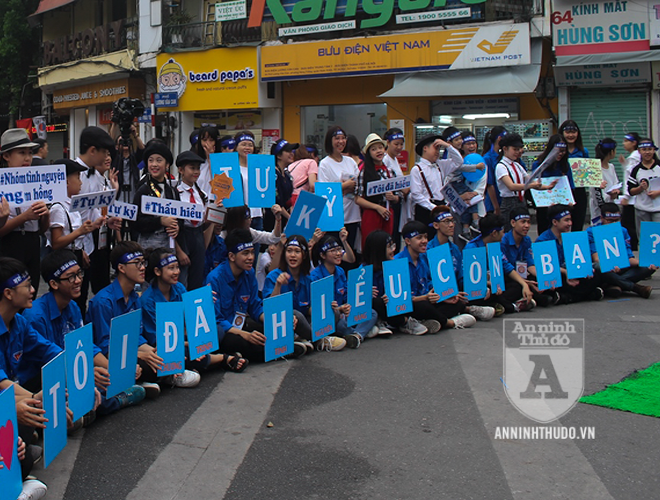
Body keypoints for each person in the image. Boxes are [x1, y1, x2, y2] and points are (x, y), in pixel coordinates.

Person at [25, 250, 139, 418]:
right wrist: (85, 375)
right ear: (54, 284)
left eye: (79, 273)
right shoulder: (35, 316)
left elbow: (86, 346)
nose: (78, 280)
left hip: (71, 370)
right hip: (42, 378)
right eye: (71, 277)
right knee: (89, 396)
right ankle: (117, 400)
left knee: (104, 380)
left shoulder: (72, 307)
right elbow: (49, 362)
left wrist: (114, 369)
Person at [0, 257, 58, 500]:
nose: (33, 290)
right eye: (27, 285)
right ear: (8, 293)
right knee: (19, 462)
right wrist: (42, 403)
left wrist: (81, 386)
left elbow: (53, 353)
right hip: (6, 400)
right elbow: (2, 384)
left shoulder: (19, 323)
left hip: (10, 398)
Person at [140, 247, 246, 376]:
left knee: (217, 331)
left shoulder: (178, 287)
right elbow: (158, 341)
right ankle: (223, 358)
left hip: (183, 336)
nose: (176, 272)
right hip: (166, 345)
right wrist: (191, 345)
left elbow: (192, 320)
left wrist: (204, 304)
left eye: (177, 267)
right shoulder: (148, 301)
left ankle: (203, 362)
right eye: (171, 268)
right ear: (157, 271)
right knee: (182, 353)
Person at [205, 229, 306, 362]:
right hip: (228, 331)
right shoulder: (214, 278)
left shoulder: (249, 273)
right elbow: (217, 320)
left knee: (270, 328)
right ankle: (281, 351)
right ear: (232, 256)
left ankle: (280, 347)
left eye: (252, 252)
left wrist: (273, 321)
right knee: (237, 341)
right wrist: (245, 335)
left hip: (243, 324)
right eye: (245, 253)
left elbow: (255, 307)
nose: (251, 257)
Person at [87, 241, 164, 398]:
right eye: (137, 263)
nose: (142, 268)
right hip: (107, 358)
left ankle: (145, 380)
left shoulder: (134, 297)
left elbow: (137, 336)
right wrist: (138, 355)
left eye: (143, 263)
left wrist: (153, 352)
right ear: (121, 268)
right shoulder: (104, 301)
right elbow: (104, 345)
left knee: (162, 358)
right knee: (145, 366)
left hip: (127, 352)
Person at [395, 221, 477, 332]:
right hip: (413, 304)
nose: (424, 241)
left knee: (456, 302)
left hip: (428, 300)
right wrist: (424, 298)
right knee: (424, 306)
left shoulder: (424, 258)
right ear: (408, 241)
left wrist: (445, 295)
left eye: (425, 237)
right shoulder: (398, 262)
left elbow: (430, 282)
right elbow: (399, 300)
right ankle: (450, 323)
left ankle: (426, 322)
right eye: (419, 238)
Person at [76, 126, 121, 314]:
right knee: (76, 296)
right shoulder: (73, 174)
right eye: (104, 152)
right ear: (93, 151)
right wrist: (79, 247)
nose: (106, 158)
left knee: (90, 287)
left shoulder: (97, 177)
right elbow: (69, 213)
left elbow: (93, 210)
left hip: (91, 242)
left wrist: (105, 221)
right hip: (75, 243)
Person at [0, 129, 49, 294]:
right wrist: (24, 217)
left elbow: (42, 229)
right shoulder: (1, 184)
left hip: (33, 245)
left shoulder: (35, 184)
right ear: (6, 156)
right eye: (21, 153)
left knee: (31, 292)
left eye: (30, 153)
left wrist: (46, 215)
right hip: (9, 247)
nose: (27, 158)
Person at [310, 234, 378, 348]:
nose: (338, 254)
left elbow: (347, 295)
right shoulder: (315, 276)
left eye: (339, 249)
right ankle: (361, 331)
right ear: (322, 255)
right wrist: (339, 309)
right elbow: (317, 308)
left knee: (372, 312)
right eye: (333, 251)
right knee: (340, 323)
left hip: (344, 312)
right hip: (331, 317)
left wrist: (363, 294)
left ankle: (357, 335)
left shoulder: (340, 271)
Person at [464, 214, 535, 314]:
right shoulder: (472, 248)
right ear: (494, 233)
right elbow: (470, 278)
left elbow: (506, 266)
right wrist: (488, 283)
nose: (504, 235)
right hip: (481, 286)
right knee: (486, 293)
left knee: (517, 286)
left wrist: (524, 284)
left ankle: (500, 305)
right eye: (502, 232)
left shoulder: (495, 246)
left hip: (496, 284)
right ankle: (511, 306)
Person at [362, 230, 428, 335]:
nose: (393, 250)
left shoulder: (395, 266)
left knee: (423, 306)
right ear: (379, 250)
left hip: (395, 307)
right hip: (376, 309)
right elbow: (355, 299)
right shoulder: (363, 271)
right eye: (389, 247)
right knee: (377, 303)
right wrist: (367, 293)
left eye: (393, 245)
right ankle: (403, 322)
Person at [535, 205, 604, 304]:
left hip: (570, 272)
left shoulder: (570, 238)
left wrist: (585, 268)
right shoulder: (543, 240)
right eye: (566, 220)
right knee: (553, 281)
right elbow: (546, 267)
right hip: (558, 273)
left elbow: (579, 260)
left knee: (595, 275)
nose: (570, 223)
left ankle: (567, 297)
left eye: (570, 220)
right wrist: (566, 272)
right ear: (555, 222)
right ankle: (586, 295)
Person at [586, 203, 655, 298]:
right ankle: (635, 288)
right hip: (603, 269)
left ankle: (611, 285)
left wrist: (643, 263)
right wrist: (612, 264)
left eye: (617, 221)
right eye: (610, 221)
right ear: (602, 218)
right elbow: (596, 258)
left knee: (648, 267)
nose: (614, 224)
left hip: (621, 267)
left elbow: (629, 257)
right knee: (599, 266)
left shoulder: (623, 231)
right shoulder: (591, 231)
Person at [263, 235, 315, 350]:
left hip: (302, 323)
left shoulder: (307, 278)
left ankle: (305, 339)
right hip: (281, 324)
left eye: (297, 251)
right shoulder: (273, 276)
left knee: (333, 312)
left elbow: (309, 308)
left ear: (304, 255)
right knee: (295, 314)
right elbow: (269, 308)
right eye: (289, 251)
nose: (292, 255)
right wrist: (278, 285)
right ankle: (318, 339)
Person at [495, 133, 556, 231]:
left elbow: (530, 180)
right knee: (509, 231)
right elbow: (511, 186)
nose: (517, 152)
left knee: (522, 229)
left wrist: (547, 187)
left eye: (519, 149)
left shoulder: (517, 165)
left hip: (521, 201)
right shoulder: (501, 166)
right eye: (515, 149)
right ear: (505, 149)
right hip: (509, 202)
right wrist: (531, 185)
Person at [318, 126, 361, 255]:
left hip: (352, 214)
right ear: (330, 141)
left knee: (351, 252)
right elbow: (323, 191)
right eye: (337, 138)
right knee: (335, 253)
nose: (341, 142)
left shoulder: (350, 161)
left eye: (343, 138)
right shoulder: (325, 164)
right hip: (334, 216)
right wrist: (344, 186)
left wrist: (351, 186)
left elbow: (358, 183)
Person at [500, 207, 555, 307]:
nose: (527, 226)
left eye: (529, 222)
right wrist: (524, 283)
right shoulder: (504, 241)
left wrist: (544, 278)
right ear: (513, 223)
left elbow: (530, 264)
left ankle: (531, 297)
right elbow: (506, 268)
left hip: (522, 274)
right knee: (516, 287)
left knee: (539, 279)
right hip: (508, 276)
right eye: (523, 222)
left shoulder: (527, 240)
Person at [409, 134, 463, 233]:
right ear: (425, 148)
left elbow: (458, 161)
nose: (438, 152)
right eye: (435, 148)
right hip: (425, 208)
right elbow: (416, 194)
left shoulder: (440, 165)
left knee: (443, 236)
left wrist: (448, 146)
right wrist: (433, 207)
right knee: (427, 236)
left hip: (441, 205)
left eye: (439, 149)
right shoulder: (417, 169)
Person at [131, 142, 181, 250]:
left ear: (167, 165)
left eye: (159, 160)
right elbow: (135, 221)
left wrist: (177, 227)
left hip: (169, 245)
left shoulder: (172, 191)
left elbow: (180, 217)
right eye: (151, 160)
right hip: (148, 246)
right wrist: (160, 221)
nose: (154, 164)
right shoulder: (143, 190)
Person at [356, 134, 400, 249]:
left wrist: (394, 198)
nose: (378, 151)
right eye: (374, 149)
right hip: (371, 213)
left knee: (387, 246)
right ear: (369, 153)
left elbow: (398, 196)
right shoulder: (364, 171)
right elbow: (358, 198)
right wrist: (377, 207)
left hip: (388, 212)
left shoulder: (390, 171)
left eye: (380, 147)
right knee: (371, 246)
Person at [174, 150, 209, 290]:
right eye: (192, 168)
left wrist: (215, 214)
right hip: (183, 236)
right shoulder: (174, 193)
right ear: (181, 170)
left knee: (197, 278)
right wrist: (179, 250)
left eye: (198, 168)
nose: (196, 172)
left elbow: (204, 222)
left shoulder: (202, 194)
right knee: (181, 278)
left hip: (198, 236)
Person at [531, 135, 573, 233]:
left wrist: (570, 201)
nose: (560, 154)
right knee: (545, 233)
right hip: (544, 208)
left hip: (562, 208)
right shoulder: (539, 164)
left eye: (563, 151)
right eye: (557, 151)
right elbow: (533, 186)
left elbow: (571, 186)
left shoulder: (565, 165)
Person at [383, 127, 410, 249]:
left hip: (398, 202)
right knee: (392, 236)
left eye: (401, 144)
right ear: (388, 143)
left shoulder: (394, 159)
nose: (399, 147)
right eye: (396, 144)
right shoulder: (385, 160)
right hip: (391, 205)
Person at [559, 120, 589, 231]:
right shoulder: (558, 150)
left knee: (578, 223)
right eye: (567, 132)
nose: (571, 135)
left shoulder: (583, 151)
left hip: (579, 190)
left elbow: (589, 172)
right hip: (562, 190)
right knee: (561, 224)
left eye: (573, 132)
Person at [626, 138, 660, 237]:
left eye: (650, 149)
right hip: (642, 209)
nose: (647, 152)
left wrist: (657, 192)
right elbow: (631, 191)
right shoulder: (636, 170)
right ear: (639, 151)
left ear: (654, 150)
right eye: (644, 150)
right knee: (644, 238)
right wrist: (640, 188)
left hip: (658, 209)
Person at [233, 131, 264, 229]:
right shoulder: (232, 168)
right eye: (243, 144)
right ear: (236, 147)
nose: (247, 148)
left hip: (256, 214)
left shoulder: (258, 168)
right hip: (239, 215)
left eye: (250, 145)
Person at [589, 138, 620, 226]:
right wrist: (609, 196)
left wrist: (615, 192)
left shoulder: (611, 167)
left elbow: (615, 183)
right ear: (611, 152)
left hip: (611, 207)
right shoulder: (595, 169)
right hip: (599, 211)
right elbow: (596, 194)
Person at [266, 139, 296, 229]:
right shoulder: (272, 174)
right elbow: (275, 201)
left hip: (285, 219)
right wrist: (290, 218)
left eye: (292, 151)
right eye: (288, 151)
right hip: (274, 219)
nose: (292, 154)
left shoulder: (287, 175)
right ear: (279, 155)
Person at [619, 132, 642, 250]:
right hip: (633, 197)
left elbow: (631, 179)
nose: (624, 143)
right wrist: (624, 163)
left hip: (632, 198)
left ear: (634, 143)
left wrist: (627, 196)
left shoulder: (634, 158)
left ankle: (632, 247)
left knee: (629, 224)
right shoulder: (634, 157)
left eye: (626, 141)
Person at [482, 126, 508, 214]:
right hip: (494, 202)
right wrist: (496, 207)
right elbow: (490, 184)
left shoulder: (505, 156)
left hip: (505, 200)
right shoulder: (488, 158)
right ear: (499, 138)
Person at [195, 126, 219, 197]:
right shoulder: (196, 161)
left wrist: (211, 157)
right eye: (204, 140)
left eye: (211, 140)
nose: (207, 143)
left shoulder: (222, 161)